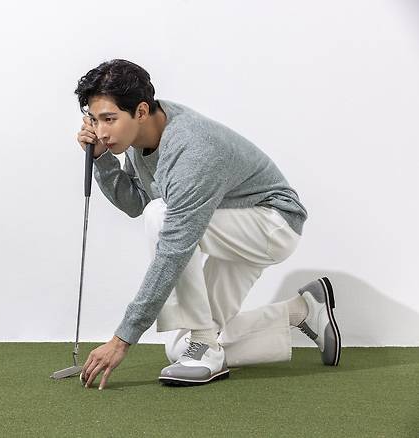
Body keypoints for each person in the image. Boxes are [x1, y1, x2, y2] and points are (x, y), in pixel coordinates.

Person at [73, 59, 341, 390]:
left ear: (140, 111)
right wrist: (101, 159)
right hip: (226, 226)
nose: (100, 131)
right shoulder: (136, 138)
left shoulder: (191, 148)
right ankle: (303, 311)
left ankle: (206, 345)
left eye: (109, 119)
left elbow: (174, 247)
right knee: (181, 350)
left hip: (271, 223)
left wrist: (122, 339)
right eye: (94, 119)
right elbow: (135, 204)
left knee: (161, 216)